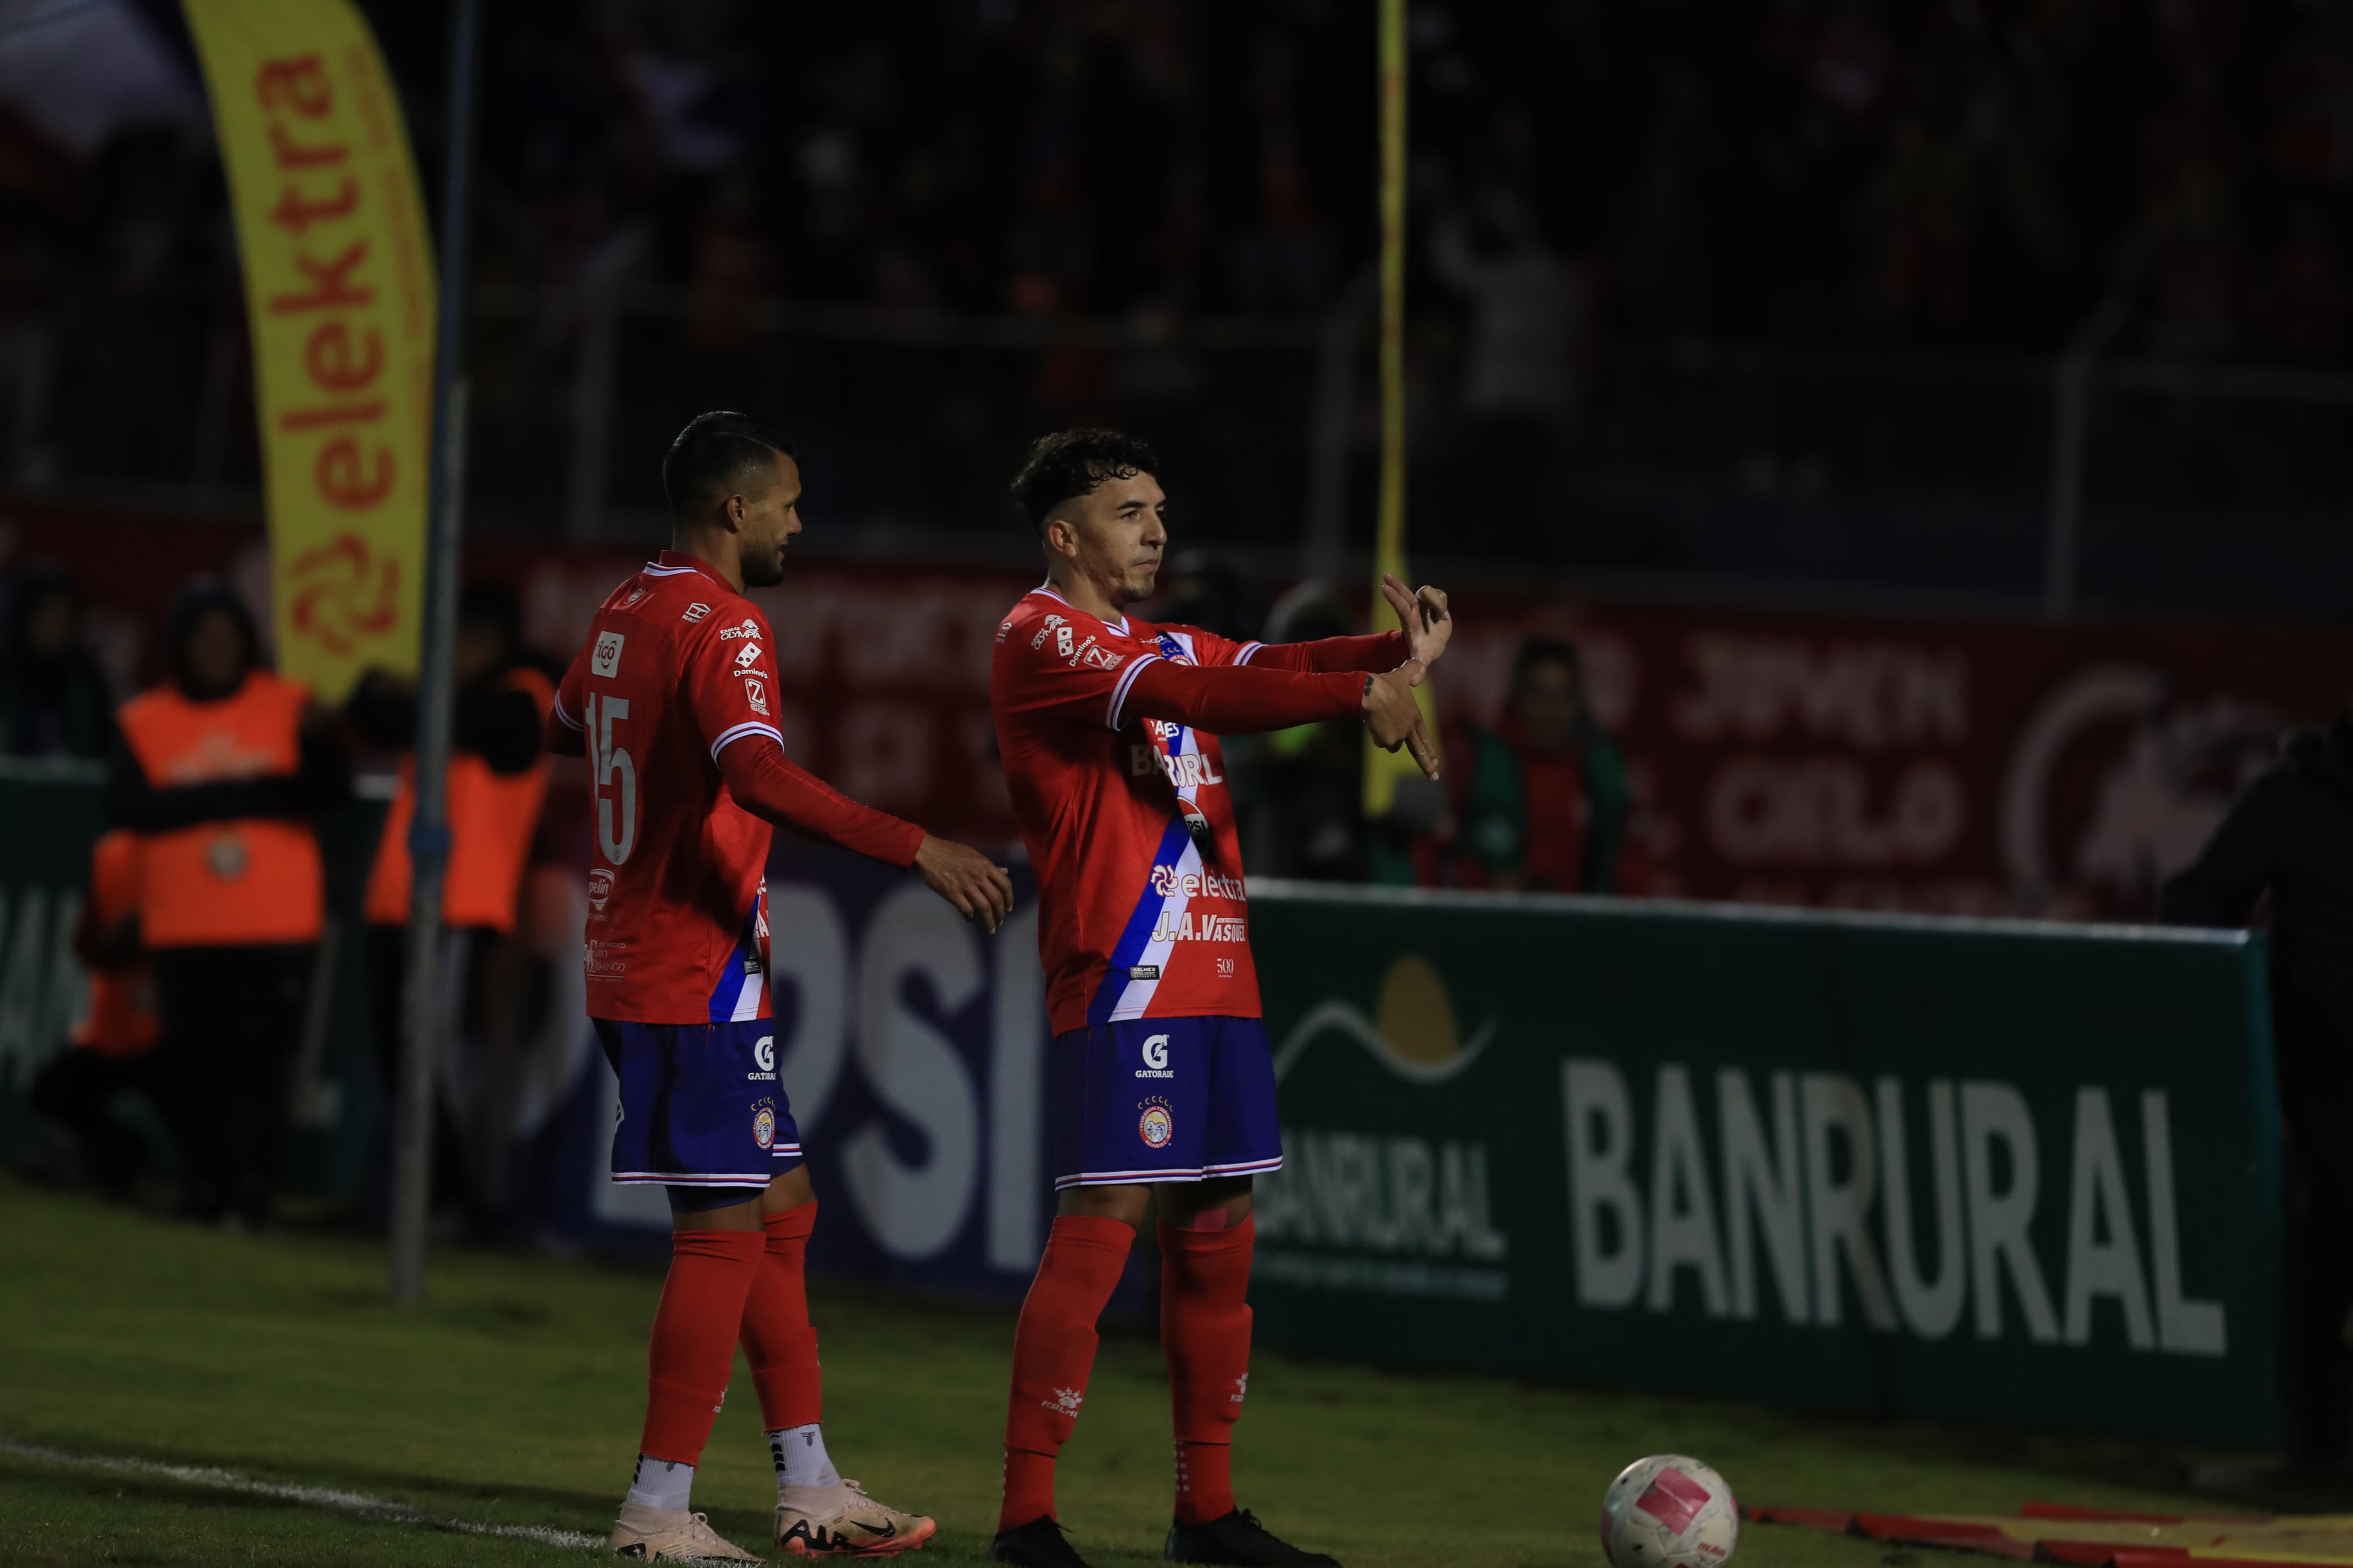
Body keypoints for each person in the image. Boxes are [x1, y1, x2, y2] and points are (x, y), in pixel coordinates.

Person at [544, 411, 1014, 1562]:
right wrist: (918, 846)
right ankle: (656, 1511)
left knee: (782, 1213)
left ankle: (808, 1485)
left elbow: (567, 724)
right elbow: (752, 772)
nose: (801, 521)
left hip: (652, 960)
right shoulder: (724, 620)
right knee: (719, 1236)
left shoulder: (622, 608)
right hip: (686, 969)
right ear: (733, 509)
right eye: (789, 502)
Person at [986, 429, 1444, 1568]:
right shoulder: (1041, 637)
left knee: (1220, 1232)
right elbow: (1207, 694)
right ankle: (1026, 1519)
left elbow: (1255, 669)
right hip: (1127, 968)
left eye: (1159, 510)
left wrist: (1398, 649)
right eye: (1131, 511)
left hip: (1215, 967)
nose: (1157, 530)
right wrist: (1362, 698)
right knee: (1102, 1228)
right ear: (1066, 535)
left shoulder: (1152, 636)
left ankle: (1207, 1513)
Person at [104, 578, 349, 1225]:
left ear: (249, 641)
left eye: (228, 636)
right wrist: (249, 793)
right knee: (193, 1068)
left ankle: (250, 1190)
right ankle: (201, 1185)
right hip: (184, 926)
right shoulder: (145, 719)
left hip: (272, 922)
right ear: (180, 646)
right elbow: (127, 805)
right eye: (203, 637)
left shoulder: (290, 705)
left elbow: (328, 786)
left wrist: (222, 795)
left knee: (258, 1070)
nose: (216, 650)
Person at [2161, 706, 2353, 1459]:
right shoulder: (2292, 801)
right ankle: (2312, 1426)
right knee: (2342, 1213)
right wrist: (2233, 1010)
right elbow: (2201, 898)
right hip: (2320, 1065)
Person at [351, 581, 559, 1235]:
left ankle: (463, 1201)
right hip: (402, 900)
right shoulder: (447, 701)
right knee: (398, 1056)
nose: (459, 652)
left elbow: (501, 737)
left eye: (472, 639)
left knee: (432, 1056)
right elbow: (371, 718)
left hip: (460, 907)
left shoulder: (525, 692)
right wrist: (374, 691)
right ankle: (420, 1197)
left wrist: (411, 697)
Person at [22, 829, 162, 1196]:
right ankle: (119, 1153)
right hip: (114, 1032)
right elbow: (87, 944)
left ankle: (213, 1187)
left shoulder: (195, 852)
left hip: (173, 1038)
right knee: (52, 1088)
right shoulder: (112, 853)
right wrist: (117, 941)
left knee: (202, 1107)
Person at [1456, 638, 1631, 895]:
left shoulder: (1599, 772)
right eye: (1538, 694)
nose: (1551, 711)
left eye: (1562, 696)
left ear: (1578, 702)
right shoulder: (1477, 763)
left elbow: (1623, 871)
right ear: (1517, 697)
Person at [0, 561, 116, 758]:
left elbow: (102, 755)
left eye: (63, 617)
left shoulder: (87, 680)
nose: (54, 627)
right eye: (45, 617)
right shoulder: (5, 671)